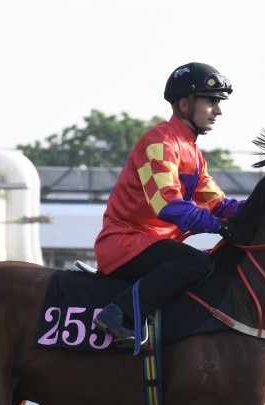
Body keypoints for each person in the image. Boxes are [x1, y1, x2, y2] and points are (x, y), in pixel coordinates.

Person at [92, 61, 243, 347]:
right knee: (195, 262)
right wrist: (218, 226)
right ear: (185, 105)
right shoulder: (160, 142)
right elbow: (168, 205)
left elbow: (217, 203)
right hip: (125, 243)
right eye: (211, 102)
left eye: (219, 103)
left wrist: (258, 208)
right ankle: (118, 313)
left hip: (152, 245)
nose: (219, 111)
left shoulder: (193, 152)